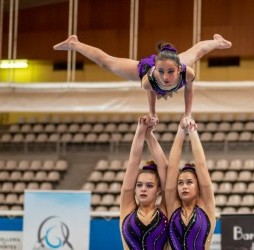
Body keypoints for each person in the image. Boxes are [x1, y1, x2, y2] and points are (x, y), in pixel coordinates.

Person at [53, 34, 232, 118]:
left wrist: (187, 114)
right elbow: (152, 92)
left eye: (170, 72)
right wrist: (152, 113)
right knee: (106, 62)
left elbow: (189, 92)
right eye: (162, 72)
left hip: (170, 60)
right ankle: (74, 43)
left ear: (179, 69)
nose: (166, 77)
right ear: (156, 69)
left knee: (198, 52)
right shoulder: (149, 81)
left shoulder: (187, 72)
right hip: (144, 69)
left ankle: (218, 40)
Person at [165, 117, 216, 250]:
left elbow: (201, 165)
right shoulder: (173, 208)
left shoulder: (207, 207)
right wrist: (180, 132)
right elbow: (172, 167)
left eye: (189, 182)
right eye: (180, 183)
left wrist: (192, 132)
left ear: (198, 186)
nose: (184, 186)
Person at [120, 114, 169, 250]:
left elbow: (164, 167)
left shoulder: (165, 211)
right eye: (139, 185)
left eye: (149, 186)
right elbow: (133, 162)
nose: (143, 189)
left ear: (158, 189)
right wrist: (140, 129)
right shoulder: (127, 208)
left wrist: (149, 135)